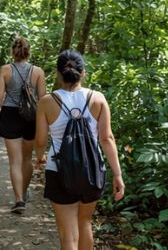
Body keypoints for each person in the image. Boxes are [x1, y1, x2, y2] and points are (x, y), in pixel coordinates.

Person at [36, 50, 124, 250]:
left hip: (59, 169)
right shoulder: (98, 98)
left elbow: (41, 140)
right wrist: (117, 174)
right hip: (92, 169)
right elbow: (106, 138)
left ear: (58, 74)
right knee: (85, 223)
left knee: (68, 235)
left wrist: (39, 158)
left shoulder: (47, 101)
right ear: (83, 72)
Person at [0, 36, 48, 213]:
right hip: (31, 117)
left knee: (15, 161)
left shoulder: (6, 70)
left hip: (10, 115)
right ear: (28, 51)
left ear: (12, 51)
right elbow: (43, 98)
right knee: (27, 159)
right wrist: (44, 121)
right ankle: (23, 192)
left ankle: (19, 200)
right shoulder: (38, 72)